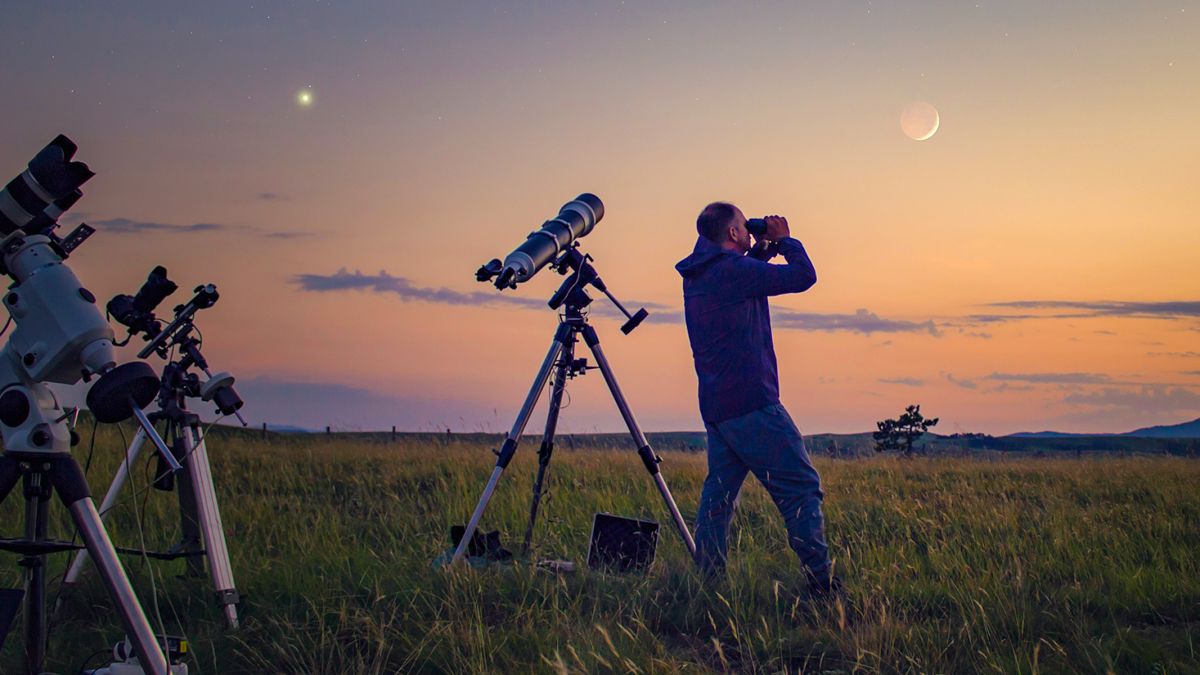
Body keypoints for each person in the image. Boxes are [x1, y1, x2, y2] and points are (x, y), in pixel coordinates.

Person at [674, 201, 837, 595]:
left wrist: (762, 248)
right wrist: (785, 241)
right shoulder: (732, 271)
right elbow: (803, 277)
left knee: (719, 498)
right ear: (731, 233)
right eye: (743, 228)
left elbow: (748, 277)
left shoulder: (701, 273)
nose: (749, 232)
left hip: (717, 405)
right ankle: (821, 585)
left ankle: (709, 584)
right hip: (752, 402)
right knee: (800, 485)